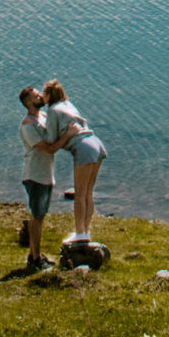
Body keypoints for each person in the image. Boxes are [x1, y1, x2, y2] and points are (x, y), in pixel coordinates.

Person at [42, 79, 107, 243]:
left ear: (49, 95)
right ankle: (86, 231)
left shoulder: (52, 110)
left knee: (79, 194)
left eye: (44, 93)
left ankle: (80, 233)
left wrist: (44, 126)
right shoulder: (68, 104)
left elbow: (51, 140)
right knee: (88, 193)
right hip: (96, 143)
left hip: (83, 148)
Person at [18, 85, 62, 271]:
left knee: (40, 216)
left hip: (45, 174)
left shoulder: (42, 118)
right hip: (35, 175)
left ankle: (34, 256)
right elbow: (48, 147)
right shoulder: (28, 125)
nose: (41, 97)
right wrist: (69, 136)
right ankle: (35, 259)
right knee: (37, 217)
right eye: (37, 96)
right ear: (29, 103)